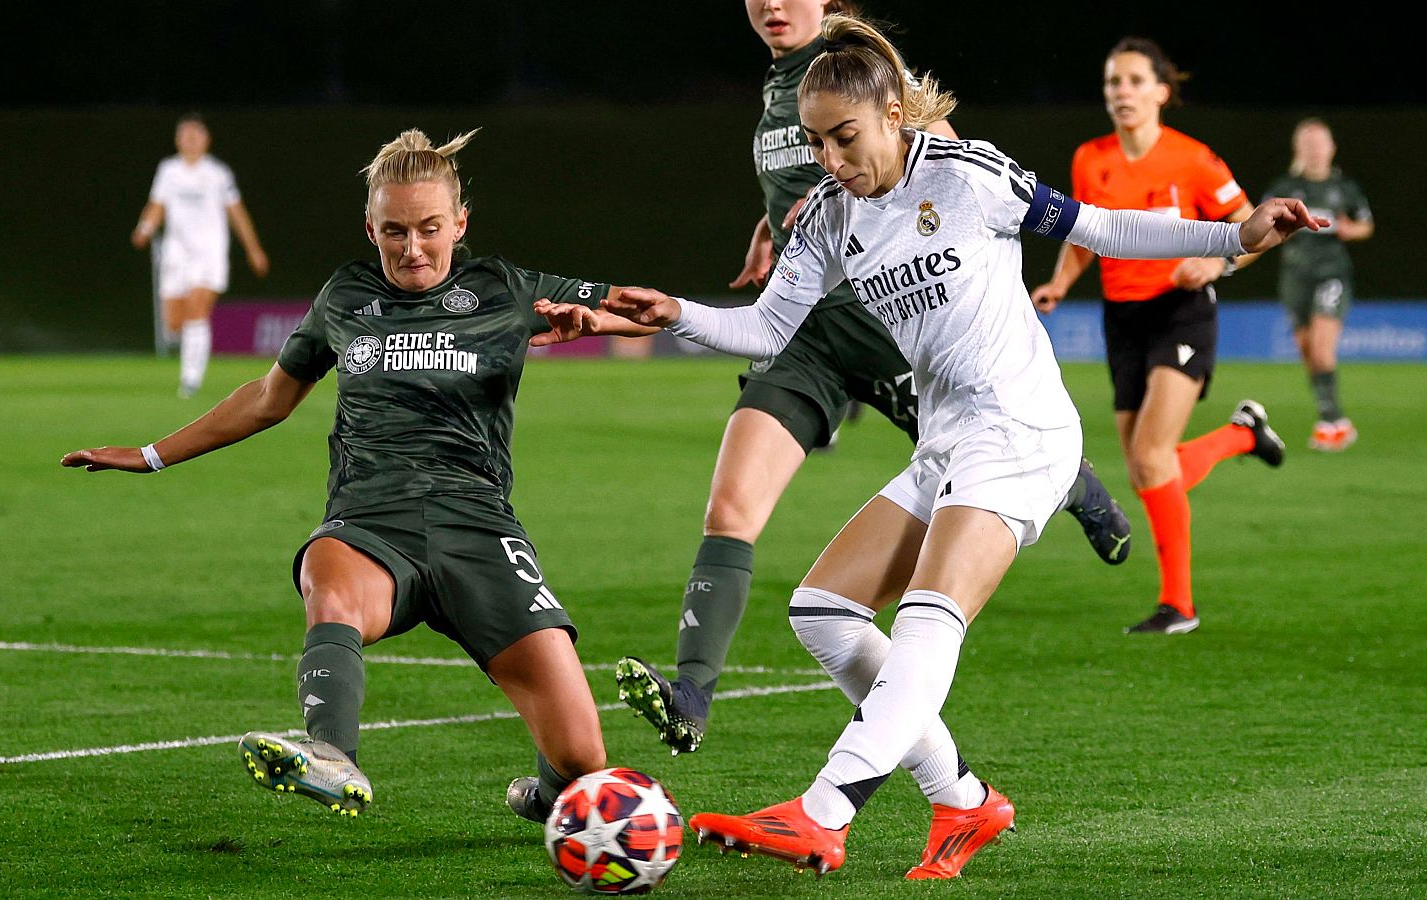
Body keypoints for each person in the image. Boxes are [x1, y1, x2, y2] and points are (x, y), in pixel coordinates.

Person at [545, 15, 1323, 879]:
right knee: (824, 613)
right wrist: (674, 313)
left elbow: (1100, 228)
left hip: (1022, 429)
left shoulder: (965, 175)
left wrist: (1236, 235)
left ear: (892, 114)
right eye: (815, 143)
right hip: (950, 441)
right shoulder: (830, 218)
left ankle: (824, 811)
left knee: (926, 616)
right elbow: (767, 326)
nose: (832, 159)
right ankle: (962, 800)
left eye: (846, 138)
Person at [71, 129, 654, 822]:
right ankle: (331, 753)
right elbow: (267, 399)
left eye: (430, 229)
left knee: (585, 761)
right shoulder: (345, 295)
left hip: (479, 525)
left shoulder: (504, 286)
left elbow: (644, 310)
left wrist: (596, 320)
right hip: (372, 520)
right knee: (327, 572)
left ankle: (550, 793)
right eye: (394, 232)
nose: (412, 248)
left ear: (460, 223)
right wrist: (151, 453)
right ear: (370, 227)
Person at [610, 0, 1133, 761]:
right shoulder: (776, 93)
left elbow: (948, 183)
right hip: (802, 337)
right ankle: (692, 694)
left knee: (971, 454)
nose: (769, 4)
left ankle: (1073, 480)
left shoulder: (862, 75)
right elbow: (806, 200)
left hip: (890, 323)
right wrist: (771, 230)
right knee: (731, 502)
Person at [1029, 38, 1291, 636]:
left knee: (1150, 460)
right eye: (1112, 82)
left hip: (1181, 310)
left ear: (1161, 92)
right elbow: (1082, 236)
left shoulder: (1193, 160)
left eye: (1133, 81)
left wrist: (1219, 264)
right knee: (1148, 466)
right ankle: (1241, 436)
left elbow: (1257, 227)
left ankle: (1181, 606)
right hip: (1121, 318)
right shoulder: (1089, 159)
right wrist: (1061, 283)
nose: (1121, 92)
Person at [131, 113, 270, 398]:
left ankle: (190, 380)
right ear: (178, 140)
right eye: (186, 136)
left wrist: (253, 249)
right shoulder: (168, 170)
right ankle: (192, 355)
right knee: (173, 324)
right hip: (176, 254)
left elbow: (237, 213)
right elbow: (156, 205)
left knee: (197, 308)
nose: (191, 141)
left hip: (209, 254)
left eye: (196, 136)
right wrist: (145, 228)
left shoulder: (218, 174)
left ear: (206, 140)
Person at [1263, 118, 1373, 451]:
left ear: (1331, 148)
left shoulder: (1345, 188)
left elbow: (1366, 225)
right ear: (1299, 149)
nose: (1314, 150)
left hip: (1332, 274)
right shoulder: (1284, 187)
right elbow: (1259, 223)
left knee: (1323, 350)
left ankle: (1331, 422)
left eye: (1320, 143)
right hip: (1295, 277)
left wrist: (1349, 230)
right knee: (1309, 352)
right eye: (1307, 144)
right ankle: (1334, 419)